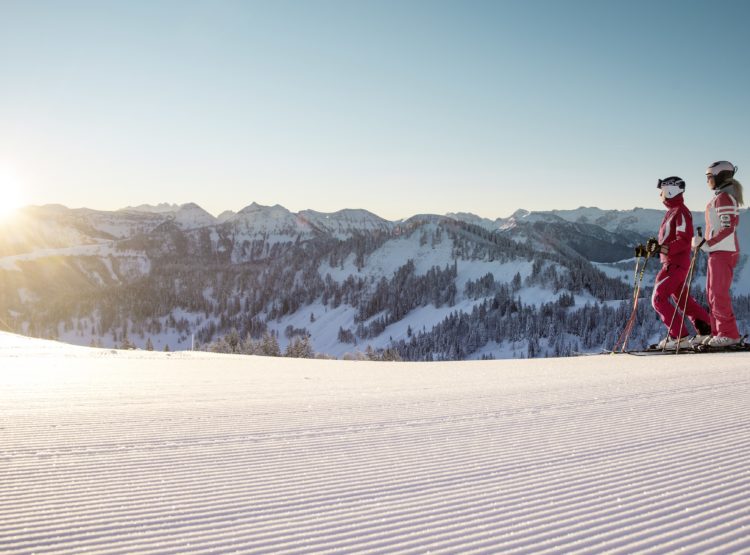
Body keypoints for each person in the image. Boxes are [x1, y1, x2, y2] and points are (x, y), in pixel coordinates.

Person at [648, 176, 712, 350]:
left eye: (662, 190)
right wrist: (657, 249)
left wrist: (662, 249)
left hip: (675, 264)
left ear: (670, 190)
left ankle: (679, 337)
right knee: (682, 299)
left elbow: (684, 240)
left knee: (658, 298)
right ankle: (705, 328)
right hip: (672, 262)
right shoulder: (673, 211)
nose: (660, 194)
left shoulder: (680, 211)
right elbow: (670, 241)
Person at [692, 161, 744, 347]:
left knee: (718, 294)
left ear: (720, 177)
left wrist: (707, 243)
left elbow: (728, 228)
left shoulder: (724, 198)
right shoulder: (722, 197)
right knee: (712, 294)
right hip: (718, 251)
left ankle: (728, 334)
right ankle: (718, 332)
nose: (707, 181)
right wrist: (706, 244)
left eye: (709, 177)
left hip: (724, 251)